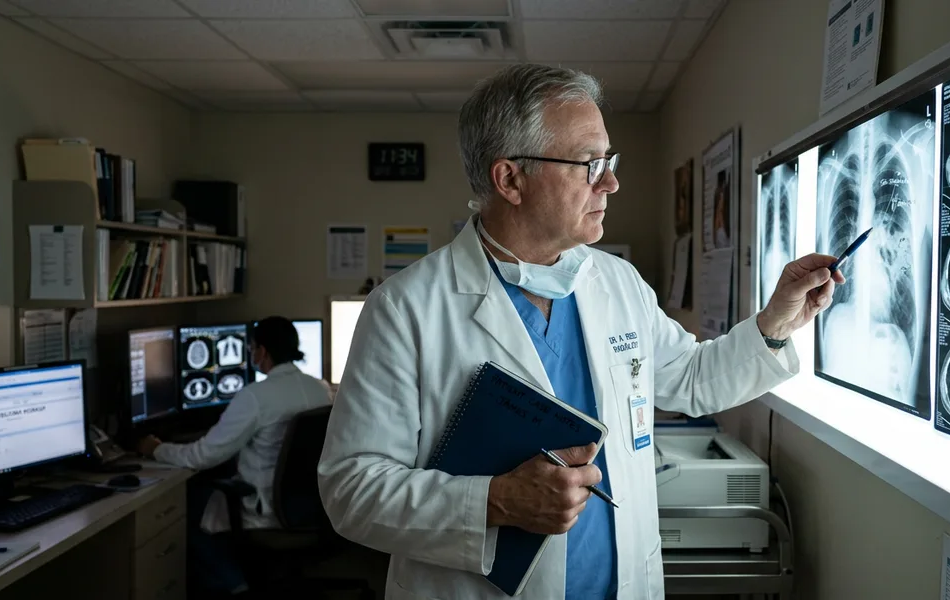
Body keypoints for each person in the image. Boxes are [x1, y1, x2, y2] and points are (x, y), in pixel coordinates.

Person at [316, 64, 844, 600]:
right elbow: (350, 490)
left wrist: (776, 320)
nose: (611, 182)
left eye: (609, 161)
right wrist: (495, 501)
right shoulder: (405, 309)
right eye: (590, 164)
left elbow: (689, 379)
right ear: (510, 180)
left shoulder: (615, 282)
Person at [138, 316, 333, 597]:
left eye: (252, 347)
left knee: (188, 505)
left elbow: (203, 456)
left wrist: (155, 449)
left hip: (266, 508)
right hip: (309, 505)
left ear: (262, 351)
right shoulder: (320, 388)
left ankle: (234, 585)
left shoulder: (255, 396)